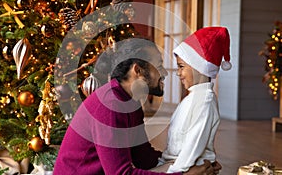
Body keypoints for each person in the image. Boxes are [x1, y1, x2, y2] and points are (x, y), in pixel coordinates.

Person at [53, 38, 221, 175]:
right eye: (159, 65)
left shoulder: (130, 103)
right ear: (138, 70)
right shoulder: (110, 105)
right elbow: (120, 174)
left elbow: (143, 157)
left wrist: (194, 162)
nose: (165, 72)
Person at [155, 27, 231, 173]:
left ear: (199, 67)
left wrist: (174, 171)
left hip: (189, 168)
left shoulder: (205, 101)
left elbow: (194, 143)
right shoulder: (192, 97)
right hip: (174, 164)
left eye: (181, 67)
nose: (178, 73)